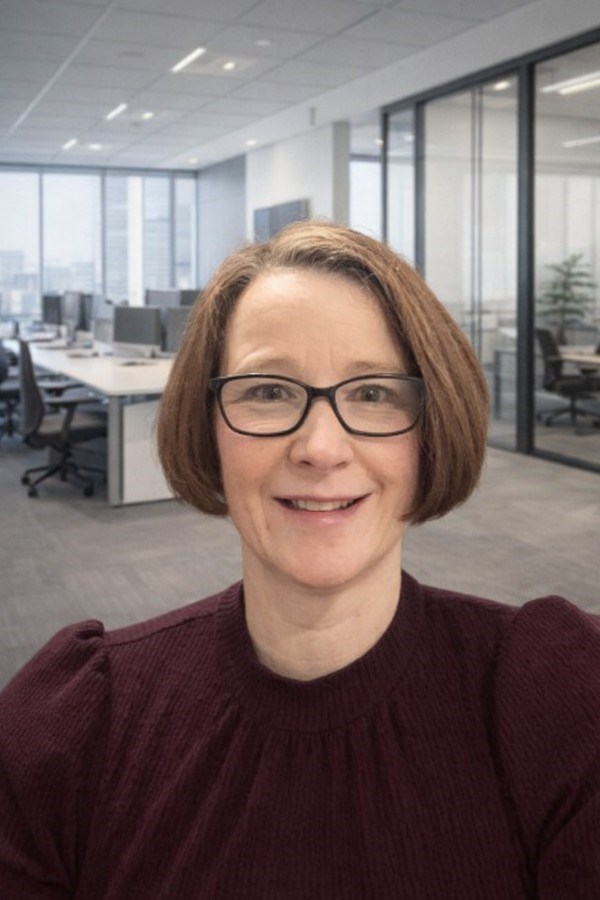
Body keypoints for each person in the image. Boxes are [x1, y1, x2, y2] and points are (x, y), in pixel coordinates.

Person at [0, 221, 598, 899]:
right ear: (209, 427)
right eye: (269, 391)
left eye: (373, 393)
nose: (321, 447)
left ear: (433, 430)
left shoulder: (557, 701)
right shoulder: (76, 725)